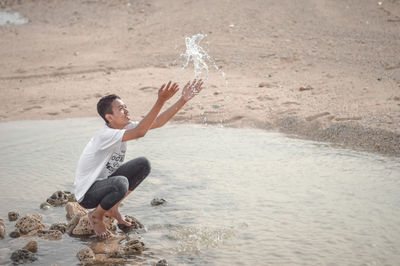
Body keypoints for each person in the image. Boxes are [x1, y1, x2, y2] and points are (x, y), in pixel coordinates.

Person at [74, 79, 204, 238]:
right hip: (88, 195)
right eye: (121, 109)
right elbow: (141, 132)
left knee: (143, 164)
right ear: (109, 117)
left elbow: (157, 122)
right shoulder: (105, 135)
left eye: (125, 107)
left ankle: (111, 207)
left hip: (104, 185)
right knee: (121, 182)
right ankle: (96, 215)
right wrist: (160, 100)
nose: (126, 110)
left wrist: (183, 100)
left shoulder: (122, 127)